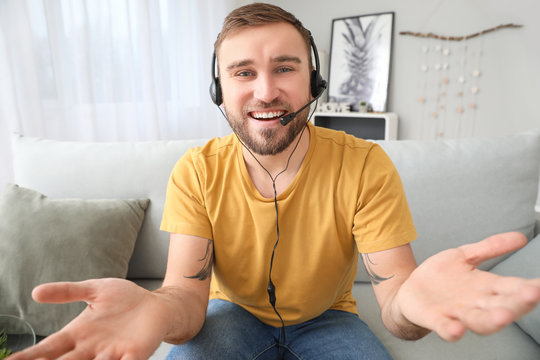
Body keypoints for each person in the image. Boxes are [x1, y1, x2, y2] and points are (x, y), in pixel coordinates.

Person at [8, 3, 540, 360]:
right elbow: (185, 301)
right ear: (219, 90)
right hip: (228, 315)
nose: (266, 91)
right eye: (243, 73)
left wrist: (412, 305)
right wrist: (154, 309)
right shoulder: (197, 170)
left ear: (315, 81)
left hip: (330, 319)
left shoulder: (365, 165)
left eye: (285, 68)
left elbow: (398, 299)